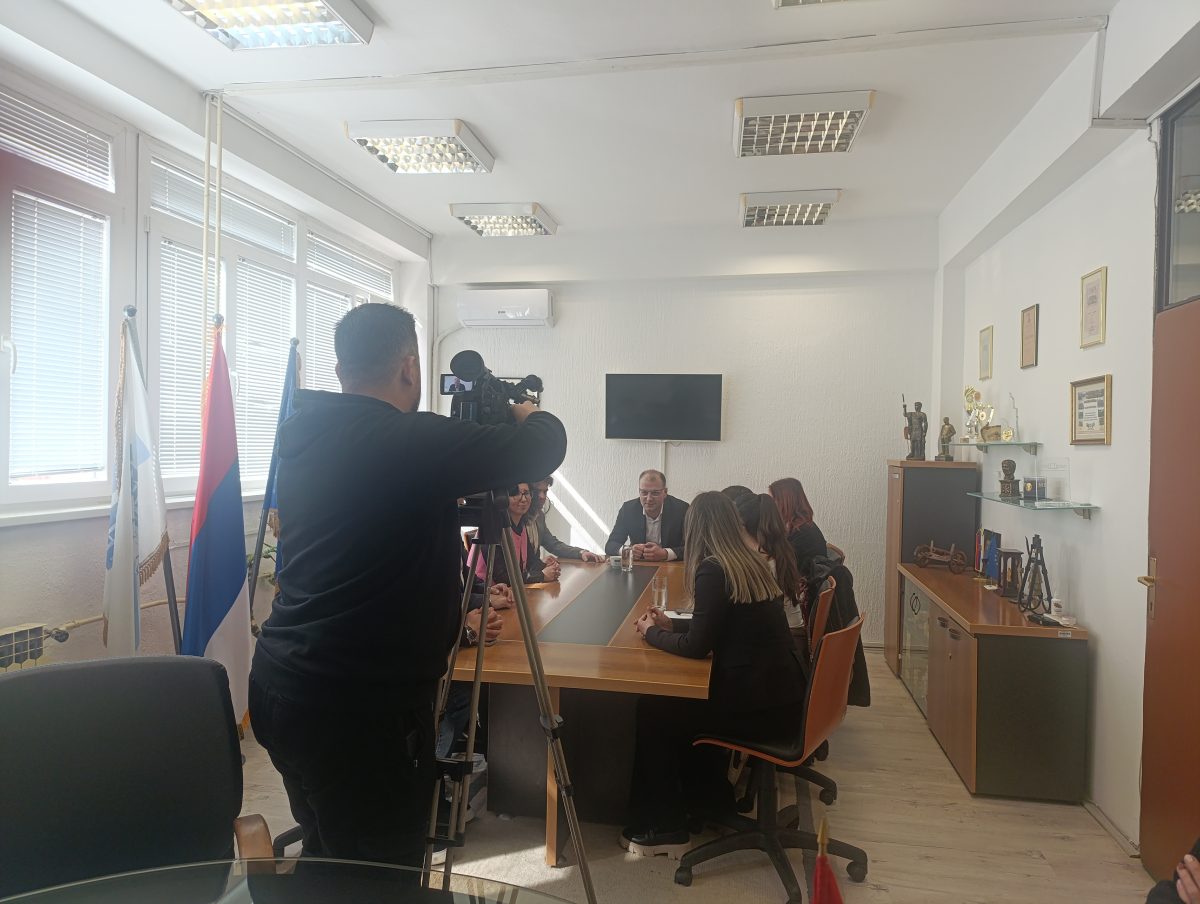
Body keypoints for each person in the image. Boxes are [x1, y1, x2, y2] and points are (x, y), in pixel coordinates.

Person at [248, 303, 567, 874]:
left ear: (342, 368)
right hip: (358, 710)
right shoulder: (406, 440)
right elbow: (544, 446)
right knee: (383, 875)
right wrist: (526, 409)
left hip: (283, 685)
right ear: (410, 368)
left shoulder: (304, 431)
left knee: (331, 849)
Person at [623, 492, 806, 856]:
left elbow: (696, 647)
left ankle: (667, 828)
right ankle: (708, 799)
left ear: (697, 529)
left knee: (655, 710)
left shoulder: (714, 569)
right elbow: (718, 628)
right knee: (677, 703)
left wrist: (651, 632)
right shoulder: (747, 562)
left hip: (758, 709)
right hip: (782, 699)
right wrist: (672, 626)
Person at [734, 492, 806, 635]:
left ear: (742, 525)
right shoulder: (778, 549)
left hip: (785, 637)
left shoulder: (762, 561)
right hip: (792, 632)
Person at [473, 482, 561, 586]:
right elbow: (502, 577)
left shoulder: (521, 525)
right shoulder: (492, 528)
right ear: (502, 499)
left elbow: (530, 561)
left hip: (513, 590)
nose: (523, 499)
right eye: (515, 494)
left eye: (526, 493)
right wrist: (542, 575)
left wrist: (547, 566)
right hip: (488, 591)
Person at [605, 469, 689, 561]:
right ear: (639, 491)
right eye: (644, 493)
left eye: (655, 493)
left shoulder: (682, 509)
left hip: (672, 565)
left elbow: (693, 547)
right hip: (640, 564)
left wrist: (666, 553)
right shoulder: (628, 509)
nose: (649, 499)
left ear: (665, 492)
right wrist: (628, 551)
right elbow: (611, 545)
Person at [529, 476, 604, 562]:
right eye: (537, 491)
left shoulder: (539, 516)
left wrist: (581, 553)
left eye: (545, 492)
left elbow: (553, 545)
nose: (542, 496)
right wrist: (540, 564)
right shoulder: (518, 518)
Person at [768, 477, 829, 582]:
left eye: (772, 500)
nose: (768, 505)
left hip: (803, 587)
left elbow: (782, 565)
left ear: (785, 502)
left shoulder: (805, 534)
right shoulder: (796, 526)